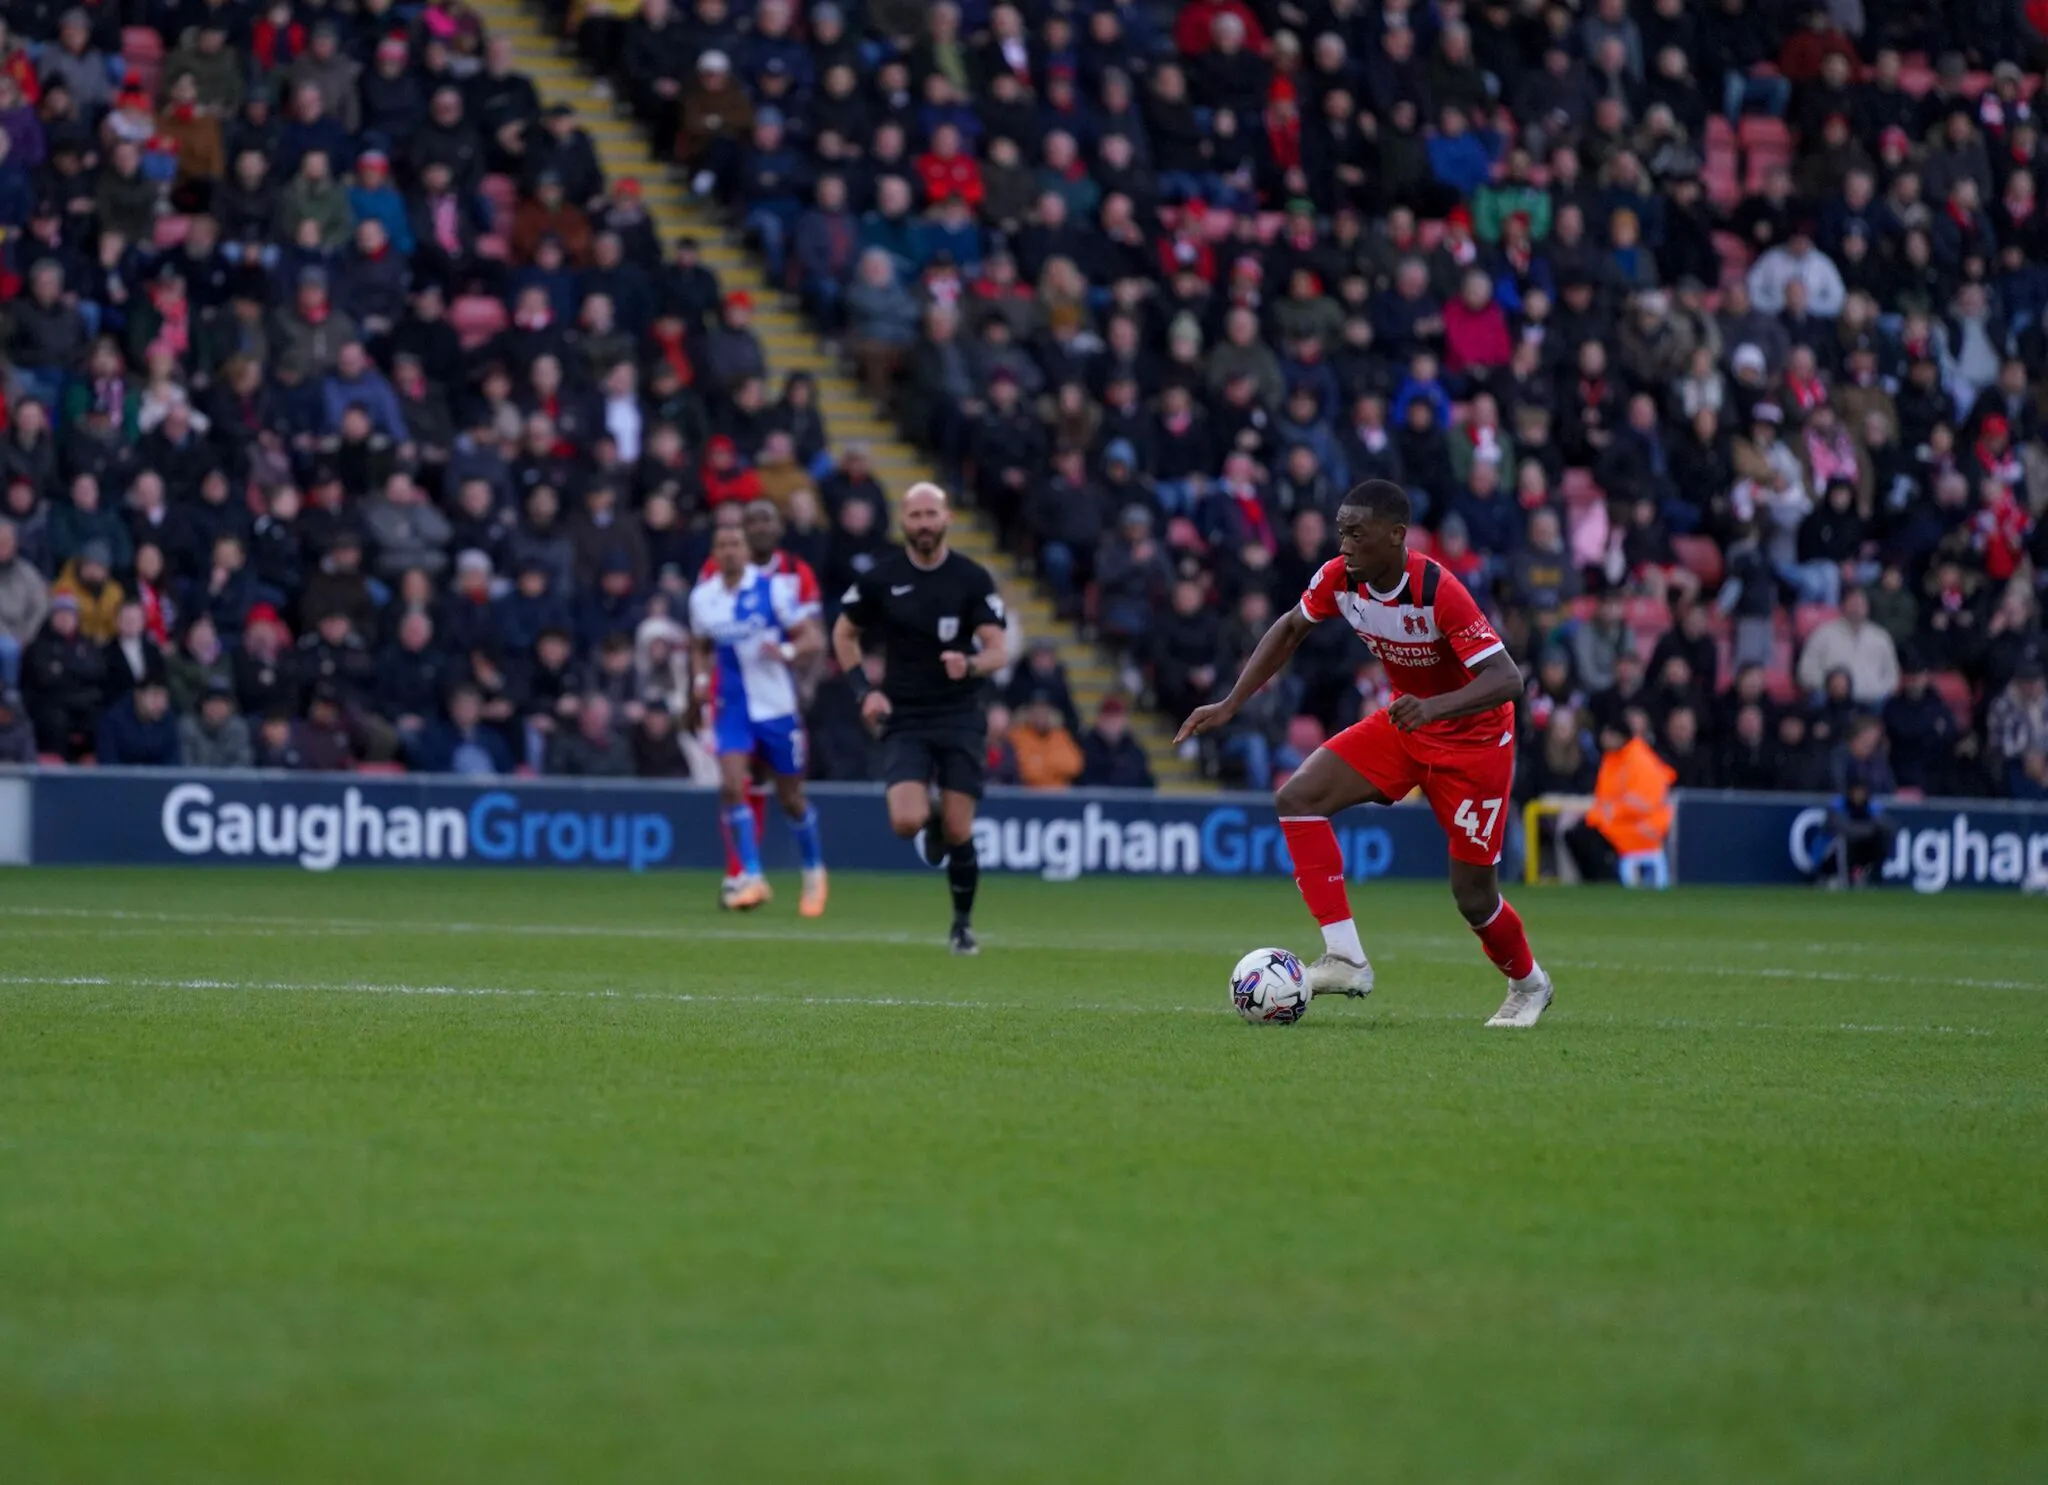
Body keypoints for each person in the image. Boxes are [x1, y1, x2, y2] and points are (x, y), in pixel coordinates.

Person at [1176, 480, 1554, 1028]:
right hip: (1407, 725)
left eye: (1357, 532)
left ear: (1396, 536)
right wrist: (1232, 702)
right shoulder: (1338, 579)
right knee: (1298, 797)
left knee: (1473, 896)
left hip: (1473, 743)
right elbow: (1287, 630)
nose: (1344, 543)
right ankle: (1346, 957)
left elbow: (1508, 678)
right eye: (1340, 531)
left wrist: (1435, 708)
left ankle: (1530, 984)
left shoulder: (1436, 588)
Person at [832, 483, 1008, 954]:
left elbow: (998, 649)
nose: (925, 523)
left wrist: (969, 663)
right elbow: (843, 633)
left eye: (932, 514)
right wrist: (863, 691)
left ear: (947, 516)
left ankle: (962, 924)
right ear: (903, 522)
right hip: (905, 715)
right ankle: (928, 820)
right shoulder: (882, 577)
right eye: (916, 516)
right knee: (906, 822)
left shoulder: (971, 578)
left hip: (959, 714)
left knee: (958, 829)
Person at [687, 522, 829, 915]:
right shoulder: (703, 598)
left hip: (777, 707)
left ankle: (814, 872)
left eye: (736, 544)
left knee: (791, 798)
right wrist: (700, 679)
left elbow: (812, 638)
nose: (729, 551)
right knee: (732, 786)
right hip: (731, 708)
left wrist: (783, 652)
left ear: (747, 552)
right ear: (714, 554)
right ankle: (752, 875)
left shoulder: (775, 590)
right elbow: (699, 644)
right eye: (722, 545)